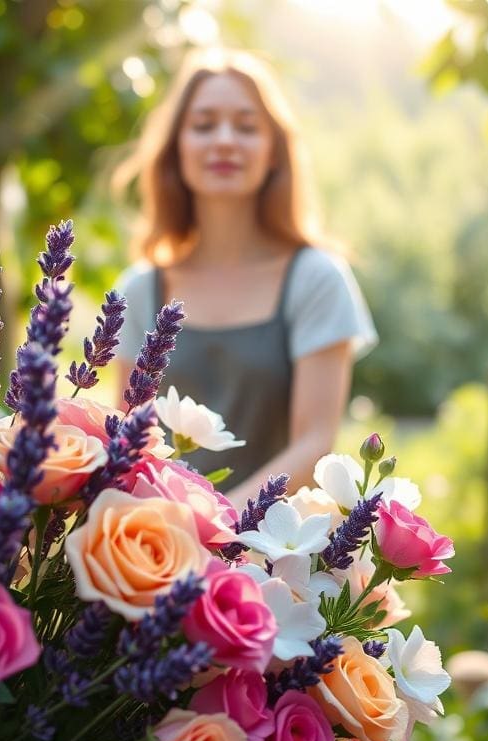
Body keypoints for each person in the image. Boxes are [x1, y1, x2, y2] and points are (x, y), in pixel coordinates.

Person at [113, 48, 377, 508]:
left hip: (274, 541)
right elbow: (126, 440)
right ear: (176, 148)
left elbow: (315, 442)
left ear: (274, 151)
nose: (224, 141)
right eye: (203, 125)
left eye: (247, 127)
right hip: (157, 538)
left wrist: (215, 526)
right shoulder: (138, 290)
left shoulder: (316, 280)